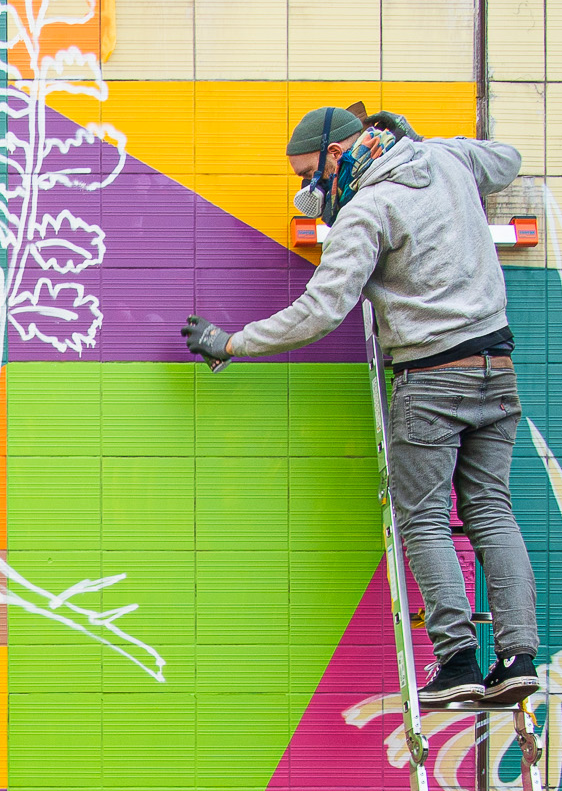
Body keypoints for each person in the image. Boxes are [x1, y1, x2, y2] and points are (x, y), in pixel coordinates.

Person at [180, 106, 541, 711]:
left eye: (308, 173)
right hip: (496, 373)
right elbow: (506, 160)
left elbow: (319, 312)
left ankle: (456, 662)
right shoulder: (447, 160)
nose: (308, 191)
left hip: (431, 381)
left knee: (423, 519)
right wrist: (426, 140)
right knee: (492, 514)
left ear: (340, 152)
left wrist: (233, 343)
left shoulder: (367, 211)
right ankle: (518, 659)